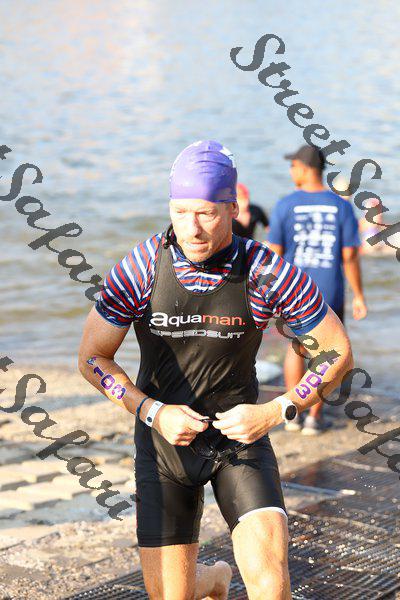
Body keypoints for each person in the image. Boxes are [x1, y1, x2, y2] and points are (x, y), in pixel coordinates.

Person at [79, 140, 354, 600]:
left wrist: (277, 410)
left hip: (240, 441)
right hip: (164, 447)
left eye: (206, 213)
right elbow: (92, 359)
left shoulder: (266, 270)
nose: (192, 228)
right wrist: (151, 411)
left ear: (232, 208)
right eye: (181, 212)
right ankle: (214, 578)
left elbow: (337, 352)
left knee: (271, 587)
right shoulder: (141, 266)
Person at [268, 144, 366, 436]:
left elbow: (274, 254)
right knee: (327, 354)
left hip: (293, 292)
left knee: (295, 349)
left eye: (293, 166)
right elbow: (350, 255)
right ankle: (314, 417)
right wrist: (359, 295)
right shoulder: (341, 206)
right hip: (329, 289)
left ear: (303, 168)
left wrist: (268, 294)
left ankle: (292, 414)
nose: (291, 171)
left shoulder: (285, 205)